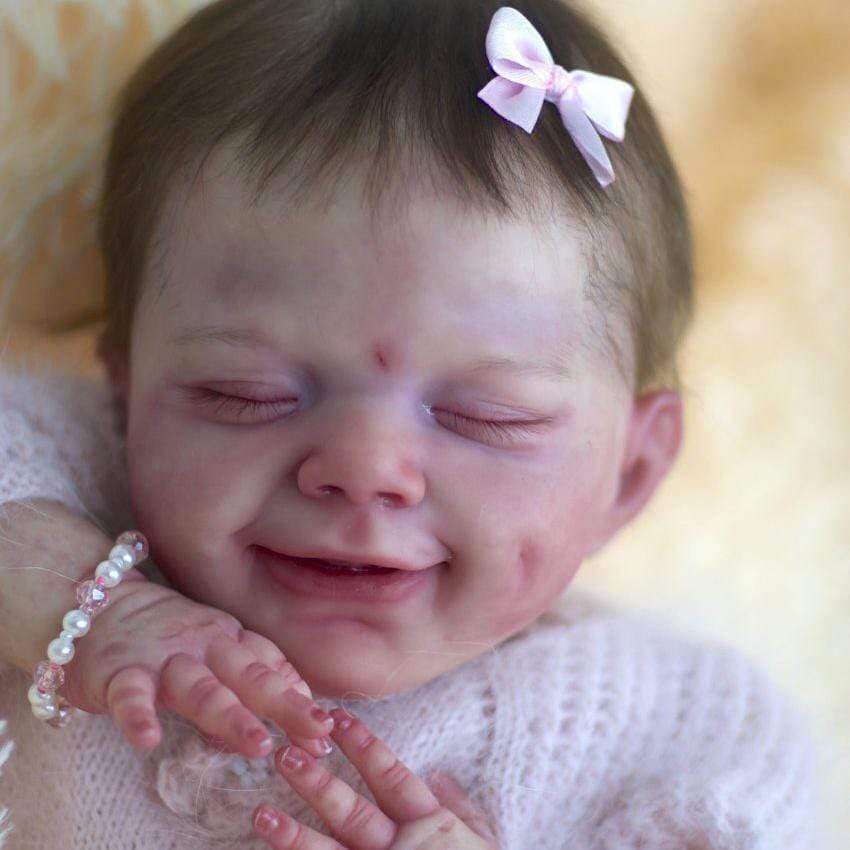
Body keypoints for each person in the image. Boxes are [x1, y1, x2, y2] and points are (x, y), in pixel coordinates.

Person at [0, 1, 824, 848]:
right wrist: (87, 606)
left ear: (631, 472)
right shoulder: (79, 489)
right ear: (125, 391)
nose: (363, 468)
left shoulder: (689, 741)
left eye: (483, 415)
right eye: (244, 392)